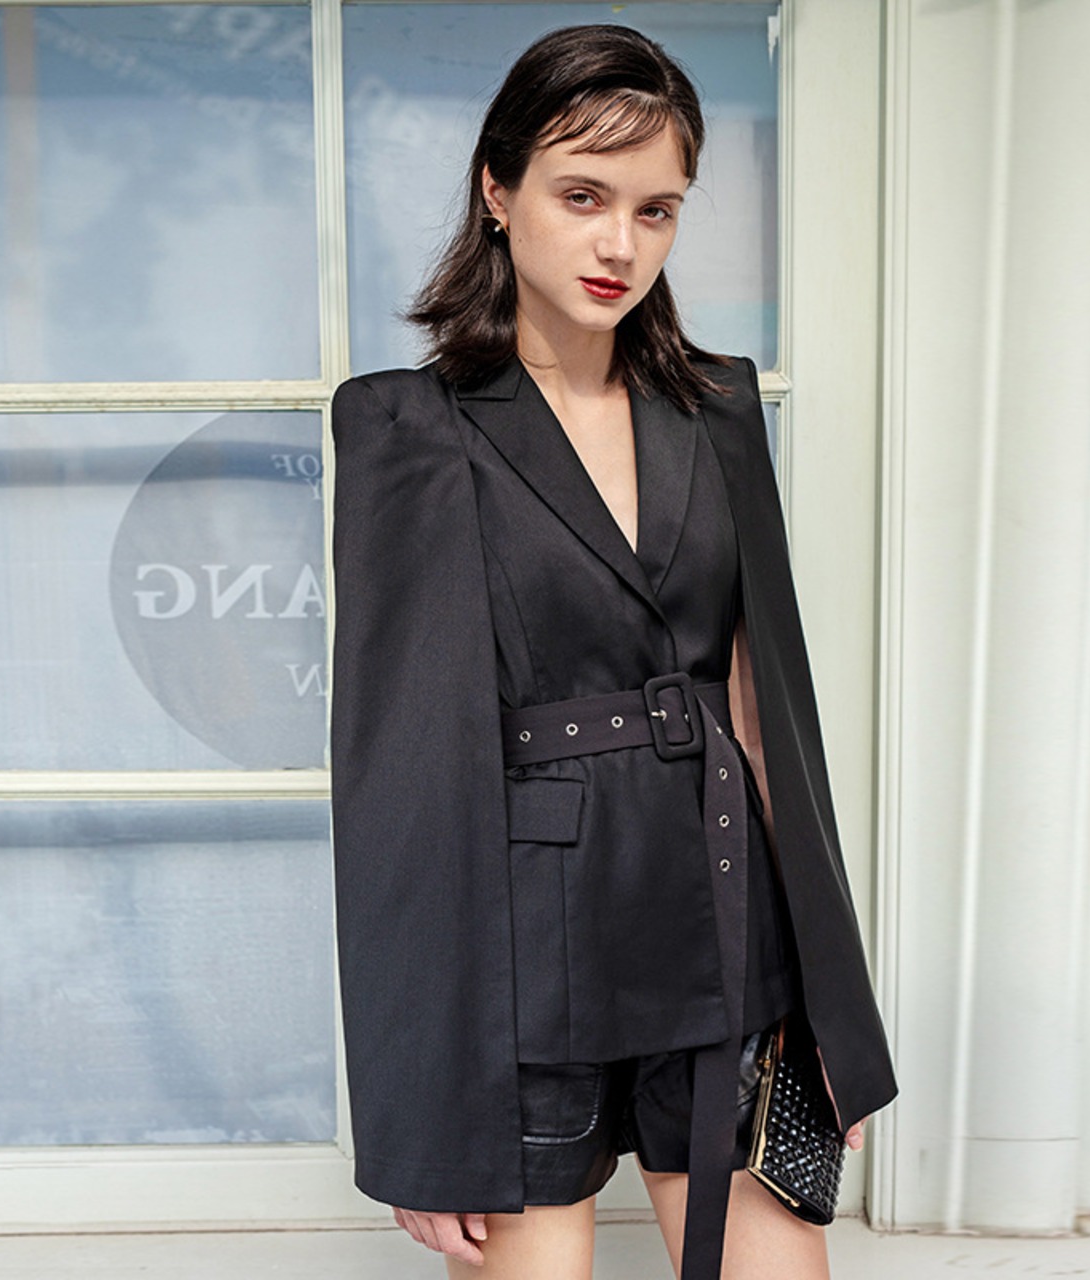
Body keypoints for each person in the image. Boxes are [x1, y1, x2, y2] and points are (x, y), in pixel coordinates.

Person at [330, 24, 896, 1280]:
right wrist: (424, 1113)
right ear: (497, 189)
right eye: (582, 196)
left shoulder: (717, 407)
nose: (619, 246)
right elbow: (401, 783)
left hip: (726, 919)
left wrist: (831, 1009)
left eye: (655, 210)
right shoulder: (408, 429)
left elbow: (770, 715)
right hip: (527, 961)